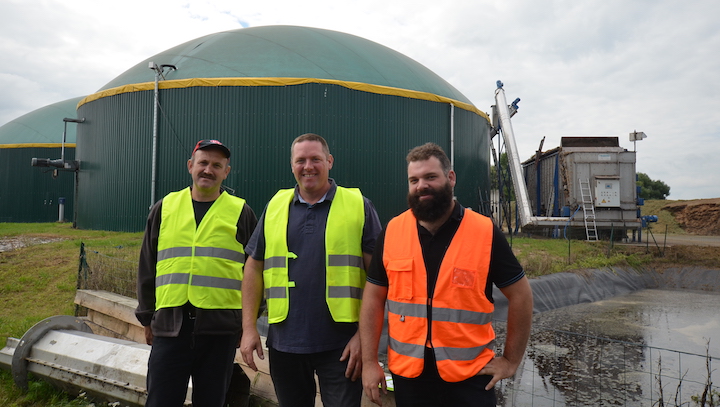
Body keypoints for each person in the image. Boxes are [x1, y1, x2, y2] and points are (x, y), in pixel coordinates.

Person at [359, 142, 533, 407]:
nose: (421, 186)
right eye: (414, 179)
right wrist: (370, 362)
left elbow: (520, 295)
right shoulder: (393, 231)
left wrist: (510, 360)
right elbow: (372, 300)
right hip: (410, 379)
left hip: (471, 378)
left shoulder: (483, 232)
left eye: (430, 177)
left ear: (450, 178)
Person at [240, 133, 382, 407]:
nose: (308, 166)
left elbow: (378, 280)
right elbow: (253, 270)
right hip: (285, 344)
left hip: (342, 348)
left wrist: (364, 339)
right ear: (291, 165)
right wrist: (248, 328)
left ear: (329, 161)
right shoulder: (275, 206)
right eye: (300, 160)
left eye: (316, 159)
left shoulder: (358, 205)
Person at [135, 139, 257, 407]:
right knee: (161, 401)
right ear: (191, 166)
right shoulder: (164, 208)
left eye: (217, 165)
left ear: (227, 171)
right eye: (203, 163)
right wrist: (146, 316)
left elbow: (256, 272)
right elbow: (148, 264)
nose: (208, 170)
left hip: (220, 330)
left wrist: (248, 323)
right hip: (170, 325)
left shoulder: (241, 212)